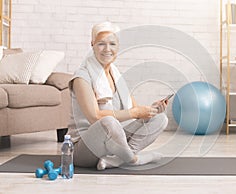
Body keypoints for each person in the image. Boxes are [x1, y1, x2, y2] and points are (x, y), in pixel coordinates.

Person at [68, 21, 169, 170]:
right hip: (85, 149)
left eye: (112, 44)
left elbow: (135, 110)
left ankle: (116, 159)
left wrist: (151, 110)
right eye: (101, 44)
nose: (107, 49)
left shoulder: (116, 74)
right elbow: (94, 117)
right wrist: (135, 112)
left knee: (160, 119)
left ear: (118, 46)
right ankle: (134, 159)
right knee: (108, 121)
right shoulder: (81, 77)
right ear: (92, 45)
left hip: (114, 140)